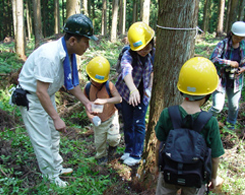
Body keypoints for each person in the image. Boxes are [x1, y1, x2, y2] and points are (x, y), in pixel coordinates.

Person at [16, 14, 97, 187]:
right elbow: (40, 91)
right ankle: (51, 178)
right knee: (43, 138)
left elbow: (71, 85)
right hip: (32, 98)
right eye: (86, 42)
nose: (88, 46)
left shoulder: (68, 54)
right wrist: (56, 117)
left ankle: (56, 167)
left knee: (53, 135)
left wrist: (87, 102)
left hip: (46, 96)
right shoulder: (49, 56)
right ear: (73, 40)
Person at [155, 57, 225, 194]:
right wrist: (213, 177)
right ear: (208, 94)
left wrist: (158, 167)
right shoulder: (210, 122)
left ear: (181, 89)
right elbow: (215, 157)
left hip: (169, 171)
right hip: (196, 175)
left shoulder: (167, 114)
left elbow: (159, 145)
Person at [115, 21, 154, 166]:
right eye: (140, 49)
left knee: (138, 123)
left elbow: (153, 73)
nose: (144, 50)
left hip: (143, 95)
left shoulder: (154, 54)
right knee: (128, 122)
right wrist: (132, 89)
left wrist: (148, 89)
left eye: (147, 47)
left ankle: (136, 154)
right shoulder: (128, 54)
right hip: (127, 93)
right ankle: (129, 149)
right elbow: (126, 70)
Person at [84, 56, 122, 165]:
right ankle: (101, 157)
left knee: (113, 138)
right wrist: (91, 117)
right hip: (98, 122)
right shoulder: (87, 88)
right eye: (94, 81)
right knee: (99, 143)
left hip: (111, 118)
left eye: (100, 81)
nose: (97, 83)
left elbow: (118, 98)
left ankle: (112, 147)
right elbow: (87, 106)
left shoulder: (108, 86)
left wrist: (104, 101)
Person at [209, 21, 245, 129]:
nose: (239, 40)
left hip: (236, 81)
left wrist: (242, 69)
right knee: (217, 107)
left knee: (234, 106)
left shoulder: (243, 46)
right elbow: (213, 59)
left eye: (241, 38)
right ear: (232, 34)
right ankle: (205, 124)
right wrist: (229, 62)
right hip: (221, 79)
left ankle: (230, 126)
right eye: (237, 37)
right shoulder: (223, 44)